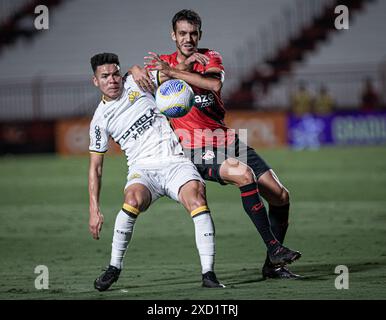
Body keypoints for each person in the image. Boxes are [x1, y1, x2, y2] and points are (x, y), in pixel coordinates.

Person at [131, 9, 302, 279]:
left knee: (280, 195)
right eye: (182, 34)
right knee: (244, 176)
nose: (188, 39)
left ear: (200, 34)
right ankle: (274, 249)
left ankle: (272, 267)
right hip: (192, 147)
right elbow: (144, 78)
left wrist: (174, 71)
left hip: (225, 138)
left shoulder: (211, 57)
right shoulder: (162, 62)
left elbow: (213, 85)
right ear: (173, 35)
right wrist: (135, 68)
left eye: (193, 33)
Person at [88, 52, 226, 291]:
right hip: (143, 170)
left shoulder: (137, 82)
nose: (112, 80)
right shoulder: (99, 120)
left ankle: (208, 273)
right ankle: (114, 267)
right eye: (105, 76)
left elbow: (171, 73)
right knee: (131, 200)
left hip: (175, 162)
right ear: (96, 81)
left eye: (115, 74)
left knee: (197, 199)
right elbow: (95, 168)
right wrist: (94, 209)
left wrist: (190, 60)